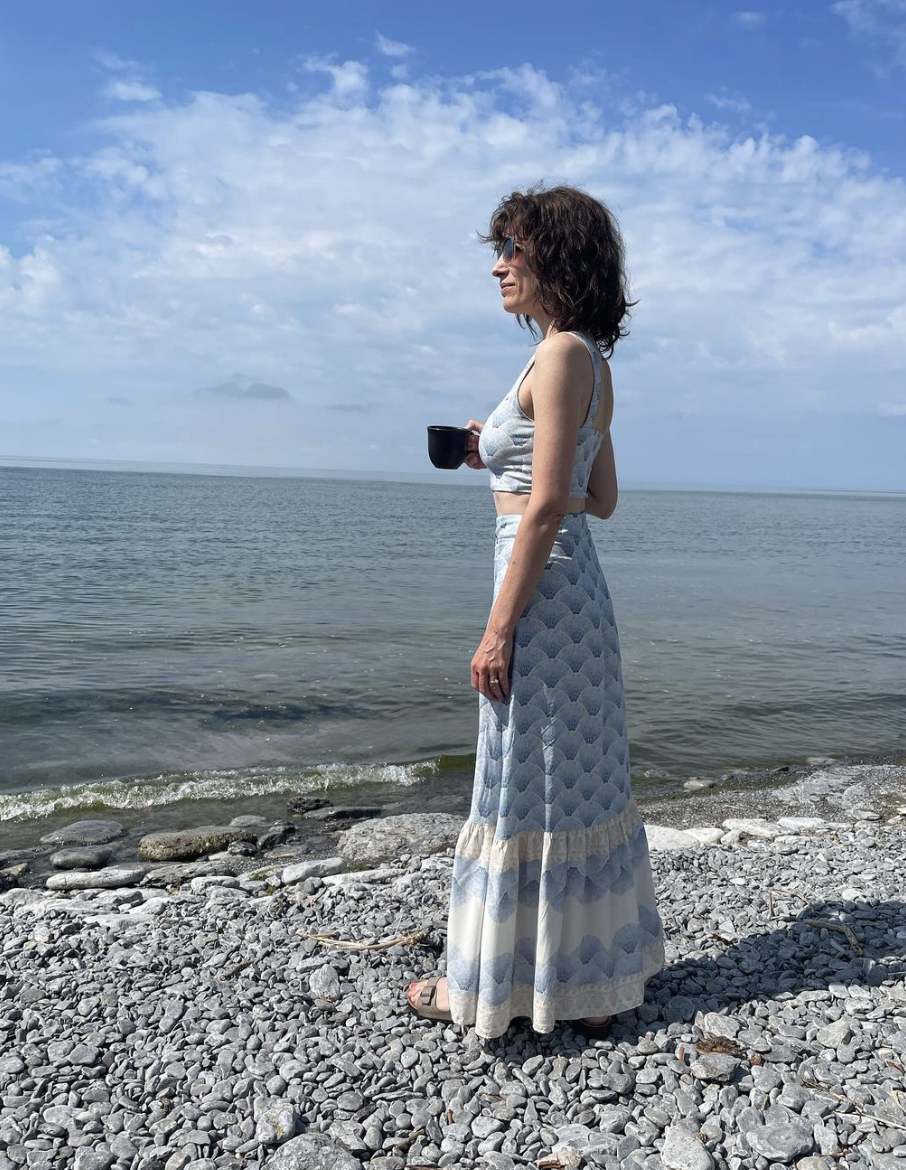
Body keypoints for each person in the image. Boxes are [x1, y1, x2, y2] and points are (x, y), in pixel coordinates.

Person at [407, 183, 666, 1040]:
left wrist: (495, 628)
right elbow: (605, 495)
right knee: (575, 786)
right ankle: (589, 987)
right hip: (577, 590)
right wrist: (503, 457)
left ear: (553, 257)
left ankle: (486, 988)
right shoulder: (590, 362)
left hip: (543, 590)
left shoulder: (558, 356)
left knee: (520, 785)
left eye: (512, 249)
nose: (498, 265)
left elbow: (558, 503)